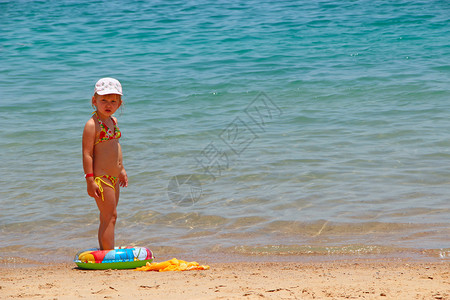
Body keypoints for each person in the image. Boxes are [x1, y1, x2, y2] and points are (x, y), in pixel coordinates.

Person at [82, 77, 128, 250]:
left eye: (113, 101)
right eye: (103, 100)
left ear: (119, 103)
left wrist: (121, 169)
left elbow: (116, 146)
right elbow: (87, 154)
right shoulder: (92, 125)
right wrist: (90, 180)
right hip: (101, 178)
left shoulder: (113, 122)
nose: (108, 104)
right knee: (110, 215)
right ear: (94, 101)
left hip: (114, 177)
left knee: (107, 216)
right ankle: (108, 252)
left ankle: (106, 250)